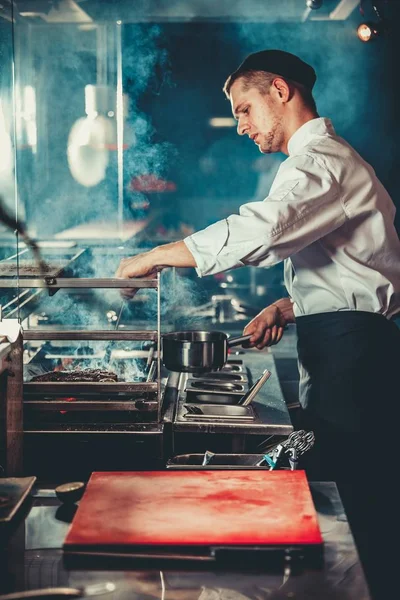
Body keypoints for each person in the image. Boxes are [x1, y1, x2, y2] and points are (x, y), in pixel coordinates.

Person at [116, 49, 400, 598]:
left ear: (279, 90)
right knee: (353, 495)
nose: (241, 126)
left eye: (244, 109)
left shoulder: (320, 160)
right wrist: (290, 306)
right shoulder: (324, 160)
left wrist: (154, 256)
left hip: (355, 366)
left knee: (362, 502)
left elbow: (265, 230)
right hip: (347, 351)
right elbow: (366, 268)